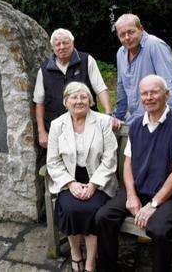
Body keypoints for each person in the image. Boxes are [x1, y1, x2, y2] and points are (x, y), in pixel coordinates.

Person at [95, 75, 172, 272]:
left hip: (169, 196)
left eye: (154, 92)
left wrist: (153, 205)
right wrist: (131, 195)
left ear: (166, 95)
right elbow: (128, 164)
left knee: (158, 230)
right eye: (144, 94)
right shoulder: (137, 126)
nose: (149, 97)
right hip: (139, 190)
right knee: (103, 217)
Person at [47, 82, 118, 272]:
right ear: (66, 101)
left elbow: (110, 158)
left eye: (84, 97)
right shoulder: (57, 125)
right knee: (70, 209)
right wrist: (70, 183)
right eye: (74, 97)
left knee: (93, 209)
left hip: (99, 179)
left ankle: (90, 261)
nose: (79, 101)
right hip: (69, 179)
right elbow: (53, 161)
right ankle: (76, 254)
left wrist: (93, 185)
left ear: (91, 101)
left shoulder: (102, 121)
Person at [33, 28, 115, 149]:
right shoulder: (44, 69)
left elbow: (101, 88)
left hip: (88, 126)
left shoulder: (87, 60)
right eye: (57, 44)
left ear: (72, 43)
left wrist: (108, 114)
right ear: (53, 48)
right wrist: (41, 132)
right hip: (57, 131)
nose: (62, 47)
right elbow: (39, 102)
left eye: (65, 42)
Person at [114, 14, 172, 125]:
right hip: (134, 122)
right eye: (122, 34)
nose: (127, 37)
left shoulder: (155, 45)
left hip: (157, 121)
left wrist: (170, 123)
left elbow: (168, 84)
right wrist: (118, 117)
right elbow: (121, 89)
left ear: (141, 29)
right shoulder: (121, 53)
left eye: (131, 32)